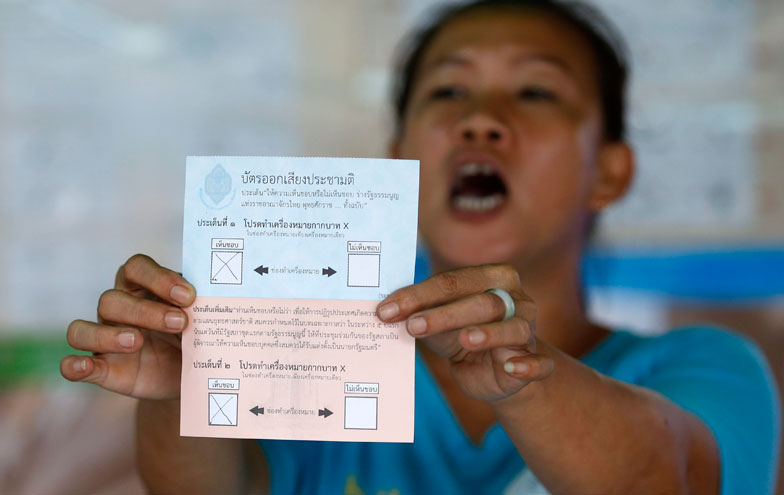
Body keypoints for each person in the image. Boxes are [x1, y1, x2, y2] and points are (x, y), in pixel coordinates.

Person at [61, 0, 781, 493]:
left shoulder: (707, 366)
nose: (481, 122)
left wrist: (526, 378)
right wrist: (189, 387)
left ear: (610, 169)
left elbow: (665, 478)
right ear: (400, 156)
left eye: (535, 92)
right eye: (446, 92)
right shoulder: (313, 352)